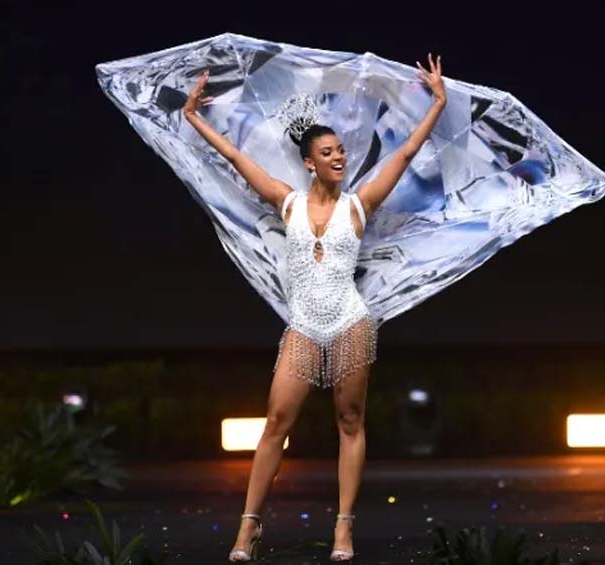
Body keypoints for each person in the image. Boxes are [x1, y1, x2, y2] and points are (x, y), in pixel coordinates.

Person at [182, 53, 447, 562]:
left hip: (350, 322)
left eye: (341, 150)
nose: (339, 157)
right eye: (328, 152)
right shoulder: (287, 202)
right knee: (275, 425)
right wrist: (193, 117)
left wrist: (436, 103)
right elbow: (235, 157)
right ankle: (247, 529)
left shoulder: (359, 204)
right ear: (310, 162)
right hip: (304, 326)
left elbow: (407, 152)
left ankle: (343, 529)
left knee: (350, 422)